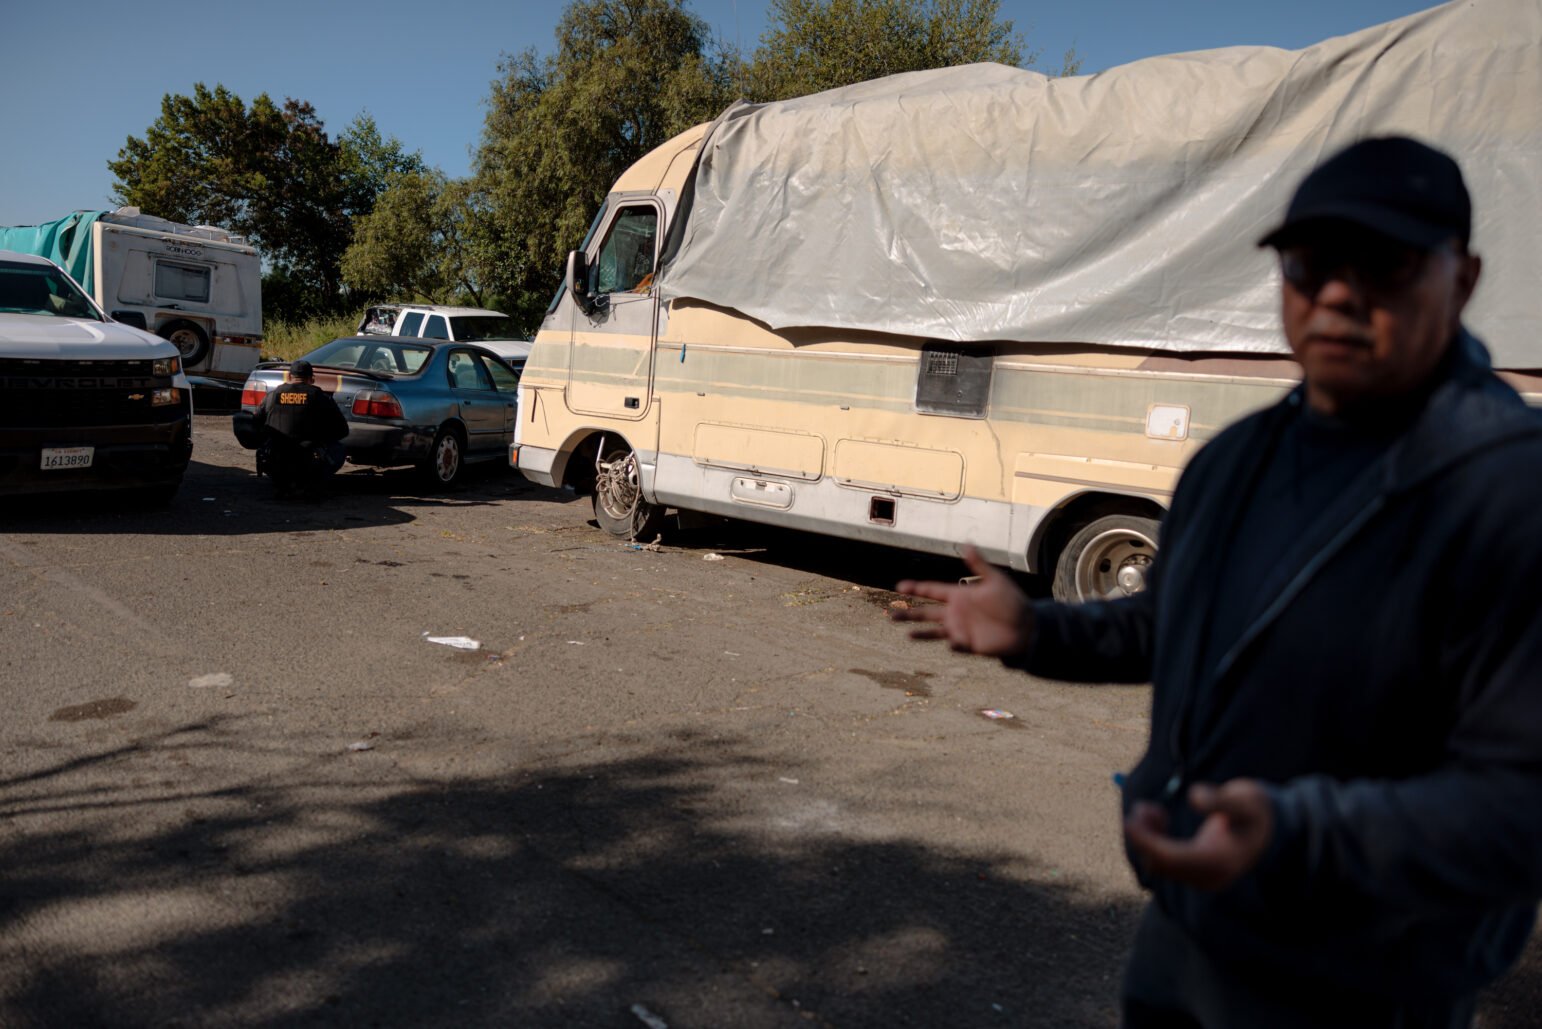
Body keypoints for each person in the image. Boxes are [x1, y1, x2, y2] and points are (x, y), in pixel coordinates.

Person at [892, 137, 1542, 1028]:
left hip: (1369, 979)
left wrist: (1300, 837)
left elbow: (1518, 803)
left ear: (1461, 280)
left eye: (1385, 263)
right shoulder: (1235, 463)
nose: (1342, 292)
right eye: (1313, 264)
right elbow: (1171, 625)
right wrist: (1035, 630)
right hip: (1190, 932)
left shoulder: (1505, 491)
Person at [250, 359, 349, 500]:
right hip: (308, 461)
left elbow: (256, 421)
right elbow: (342, 430)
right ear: (311, 379)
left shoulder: (273, 395)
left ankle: (283, 483)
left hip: (276, 459)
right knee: (339, 448)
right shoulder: (320, 396)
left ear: (290, 377)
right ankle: (310, 485)